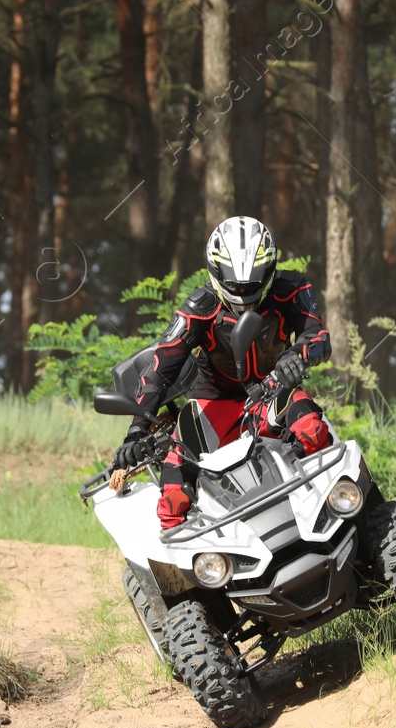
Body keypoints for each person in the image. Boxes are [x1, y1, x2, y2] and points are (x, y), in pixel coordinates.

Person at [114, 216, 334, 530]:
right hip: (213, 403)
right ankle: (192, 571)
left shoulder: (293, 288)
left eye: (252, 284)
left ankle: (335, 512)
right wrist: (136, 432)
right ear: (216, 273)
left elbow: (319, 338)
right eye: (234, 285)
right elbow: (159, 370)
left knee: (313, 430)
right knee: (172, 500)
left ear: (269, 269)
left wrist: (295, 356)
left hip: (273, 393)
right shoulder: (199, 307)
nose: (243, 292)